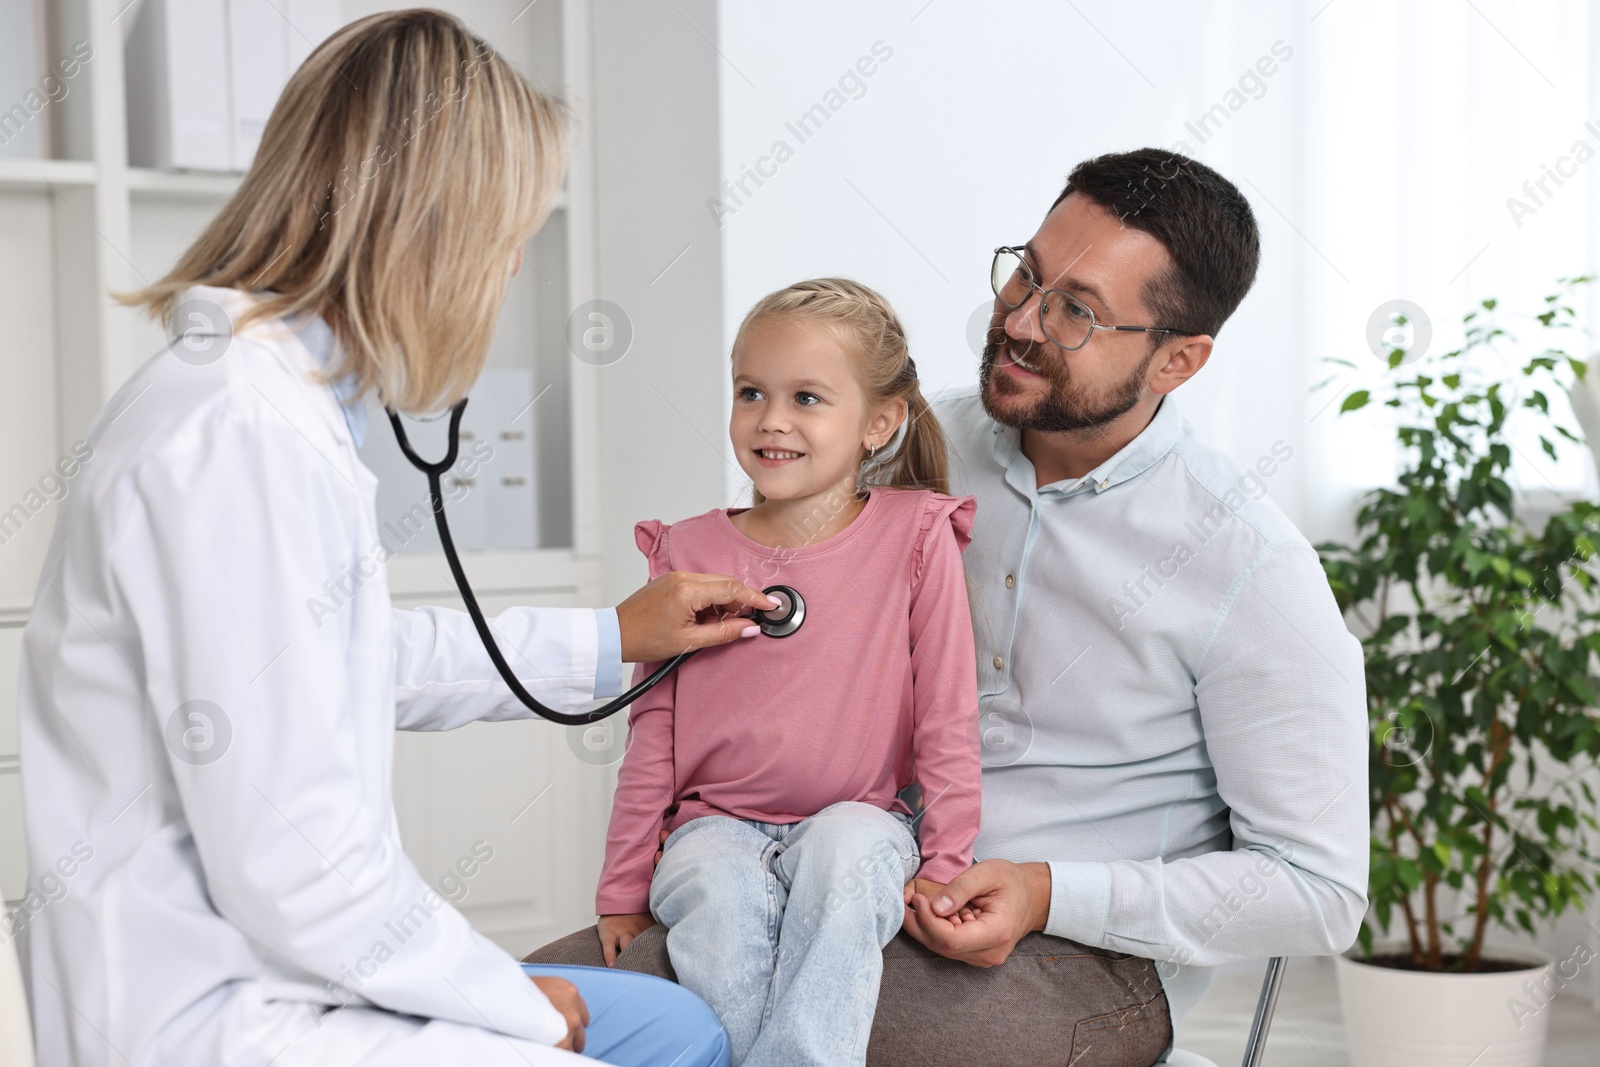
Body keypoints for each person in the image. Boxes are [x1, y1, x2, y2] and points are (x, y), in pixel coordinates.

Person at [17, 11, 766, 1066]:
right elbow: (298, 868)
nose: (511, 268)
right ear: (432, 228)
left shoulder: (268, 397)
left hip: (271, 968)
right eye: (509, 231)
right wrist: (508, 1001)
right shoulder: (242, 435)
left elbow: (346, 654)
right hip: (219, 1016)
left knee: (680, 1028)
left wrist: (614, 636)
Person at [531, 150, 1368, 1067]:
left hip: (1080, 962)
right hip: (833, 874)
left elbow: (1319, 889)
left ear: (1178, 358)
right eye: (1025, 274)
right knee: (519, 1015)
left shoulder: (1252, 566)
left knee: (732, 1042)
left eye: (1074, 310)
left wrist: (1051, 892)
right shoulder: (916, 446)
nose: (1016, 320)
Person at [593, 278, 982, 1067]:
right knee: (718, 894)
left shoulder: (915, 536)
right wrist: (622, 886)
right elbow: (653, 732)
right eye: (751, 392)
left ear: (879, 422)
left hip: (859, 815)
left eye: (807, 397)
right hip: (714, 825)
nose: (771, 419)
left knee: (846, 856)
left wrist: (945, 865)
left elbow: (948, 713)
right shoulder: (688, 551)